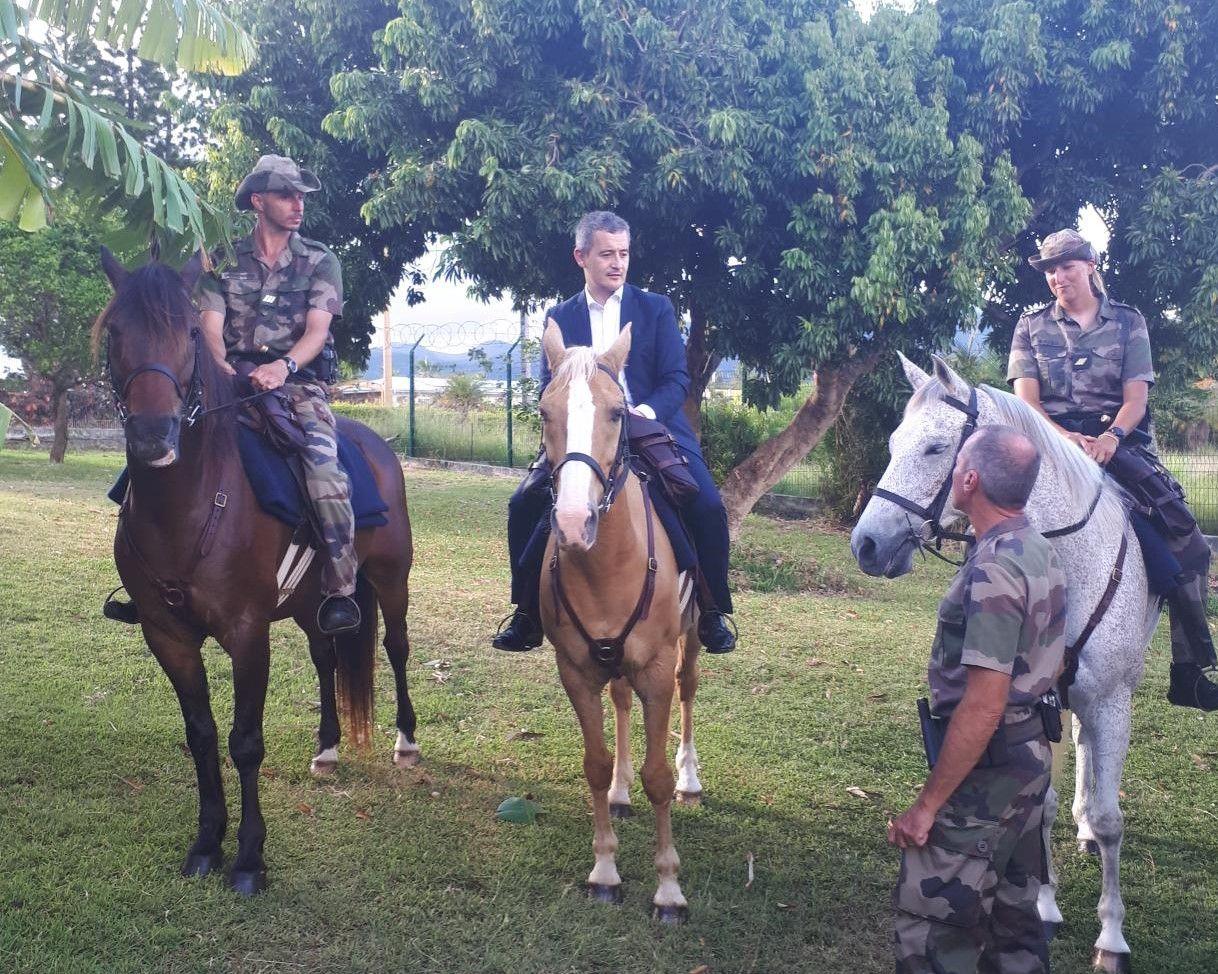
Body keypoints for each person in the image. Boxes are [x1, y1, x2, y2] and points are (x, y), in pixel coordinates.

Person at [492, 210, 737, 654]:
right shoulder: (560, 315)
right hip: (584, 432)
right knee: (523, 502)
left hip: (650, 424)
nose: (618, 263)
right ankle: (526, 612)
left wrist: (642, 411)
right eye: (607, 253)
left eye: (624, 253)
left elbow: (676, 379)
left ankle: (714, 607)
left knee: (706, 504)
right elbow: (554, 384)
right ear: (581, 257)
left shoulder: (656, 308)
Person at [1007, 228, 1218, 710]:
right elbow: (1026, 400)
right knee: (992, 517)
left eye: (1067, 266)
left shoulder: (1128, 322)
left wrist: (1110, 438)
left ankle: (1190, 669)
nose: (1058, 277)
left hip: (1116, 441)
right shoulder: (1030, 325)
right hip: (1050, 440)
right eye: (1051, 270)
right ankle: (986, 646)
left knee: (1187, 545)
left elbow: (1136, 398)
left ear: (1091, 265)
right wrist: (1065, 440)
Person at [889, 425, 1065, 974]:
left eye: (958, 461)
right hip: (1030, 758)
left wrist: (927, 806)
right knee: (1013, 925)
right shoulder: (1037, 547)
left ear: (969, 480)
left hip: (987, 771)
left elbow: (984, 704)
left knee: (933, 930)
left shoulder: (994, 568)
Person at [194, 154, 358, 636]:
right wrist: (220, 364)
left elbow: (317, 331)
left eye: (301, 197)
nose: (298, 204)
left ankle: (340, 589)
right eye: (287, 195)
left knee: (324, 470)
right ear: (258, 200)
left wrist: (281, 367)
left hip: (297, 384)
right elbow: (210, 323)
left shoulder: (320, 260)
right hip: (230, 378)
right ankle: (145, 570)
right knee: (163, 442)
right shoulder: (222, 258)